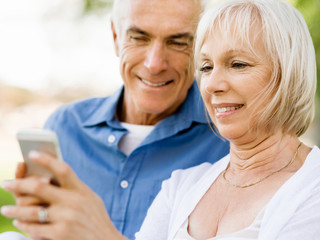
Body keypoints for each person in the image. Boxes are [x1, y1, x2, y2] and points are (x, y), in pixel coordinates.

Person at [2, 0, 319, 239]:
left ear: (286, 73)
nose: (211, 84)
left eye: (237, 64)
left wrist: (100, 232)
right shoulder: (185, 184)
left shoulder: (306, 186)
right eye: (206, 67)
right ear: (115, 37)